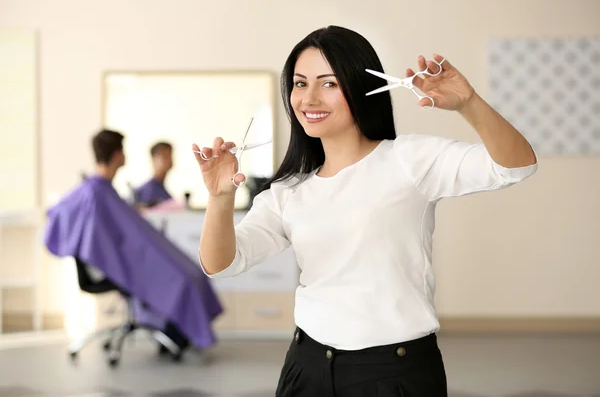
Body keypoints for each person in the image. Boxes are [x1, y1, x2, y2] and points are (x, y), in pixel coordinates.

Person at [192, 25, 538, 397]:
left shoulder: (410, 159)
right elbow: (221, 263)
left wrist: (468, 102)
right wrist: (220, 198)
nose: (309, 98)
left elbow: (516, 165)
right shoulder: (290, 191)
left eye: (328, 83)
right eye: (299, 83)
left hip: (394, 373)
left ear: (361, 86)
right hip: (305, 368)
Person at [45, 129, 222, 359]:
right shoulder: (94, 192)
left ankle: (178, 334)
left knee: (191, 272)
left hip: (125, 257)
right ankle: (177, 334)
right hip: (115, 264)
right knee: (184, 279)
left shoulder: (100, 190)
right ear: (118, 154)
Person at [134, 141, 174, 207]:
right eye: (164, 156)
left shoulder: (162, 190)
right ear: (153, 159)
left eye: (170, 155)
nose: (169, 159)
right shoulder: (147, 191)